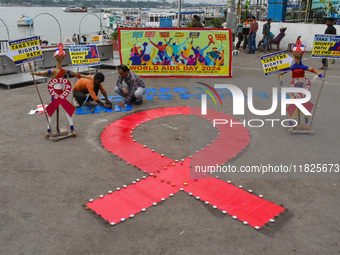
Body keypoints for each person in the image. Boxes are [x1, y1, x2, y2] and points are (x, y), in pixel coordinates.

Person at [32, 45, 91, 137]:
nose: (59, 60)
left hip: (62, 93)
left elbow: (76, 74)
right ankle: (48, 130)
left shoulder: (64, 71)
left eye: (61, 58)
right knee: (52, 111)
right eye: (58, 58)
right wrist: (34, 73)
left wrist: (86, 76)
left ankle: (72, 128)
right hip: (54, 93)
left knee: (68, 110)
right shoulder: (54, 70)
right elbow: (43, 73)